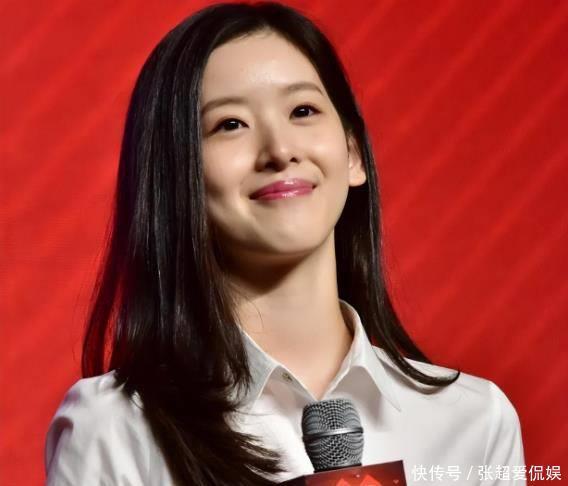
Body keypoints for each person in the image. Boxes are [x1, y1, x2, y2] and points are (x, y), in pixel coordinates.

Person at [44, 2, 526, 485]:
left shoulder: (472, 422)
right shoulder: (117, 429)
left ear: (353, 153)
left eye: (302, 111)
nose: (279, 150)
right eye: (230, 124)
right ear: (175, 176)